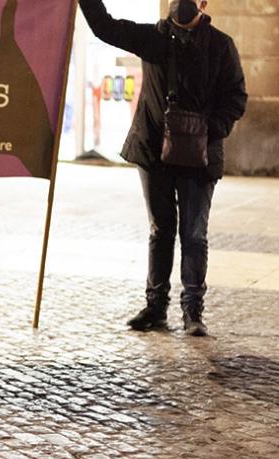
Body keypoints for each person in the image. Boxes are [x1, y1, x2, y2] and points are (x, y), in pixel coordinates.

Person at [78, 0, 247, 336]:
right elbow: (104, 26)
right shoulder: (153, 38)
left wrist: (207, 130)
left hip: (199, 156)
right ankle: (156, 307)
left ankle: (192, 311)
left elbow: (236, 97)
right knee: (161, 230)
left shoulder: (220, 45)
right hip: (154, 150)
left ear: (203, 3)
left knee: (194, 234)